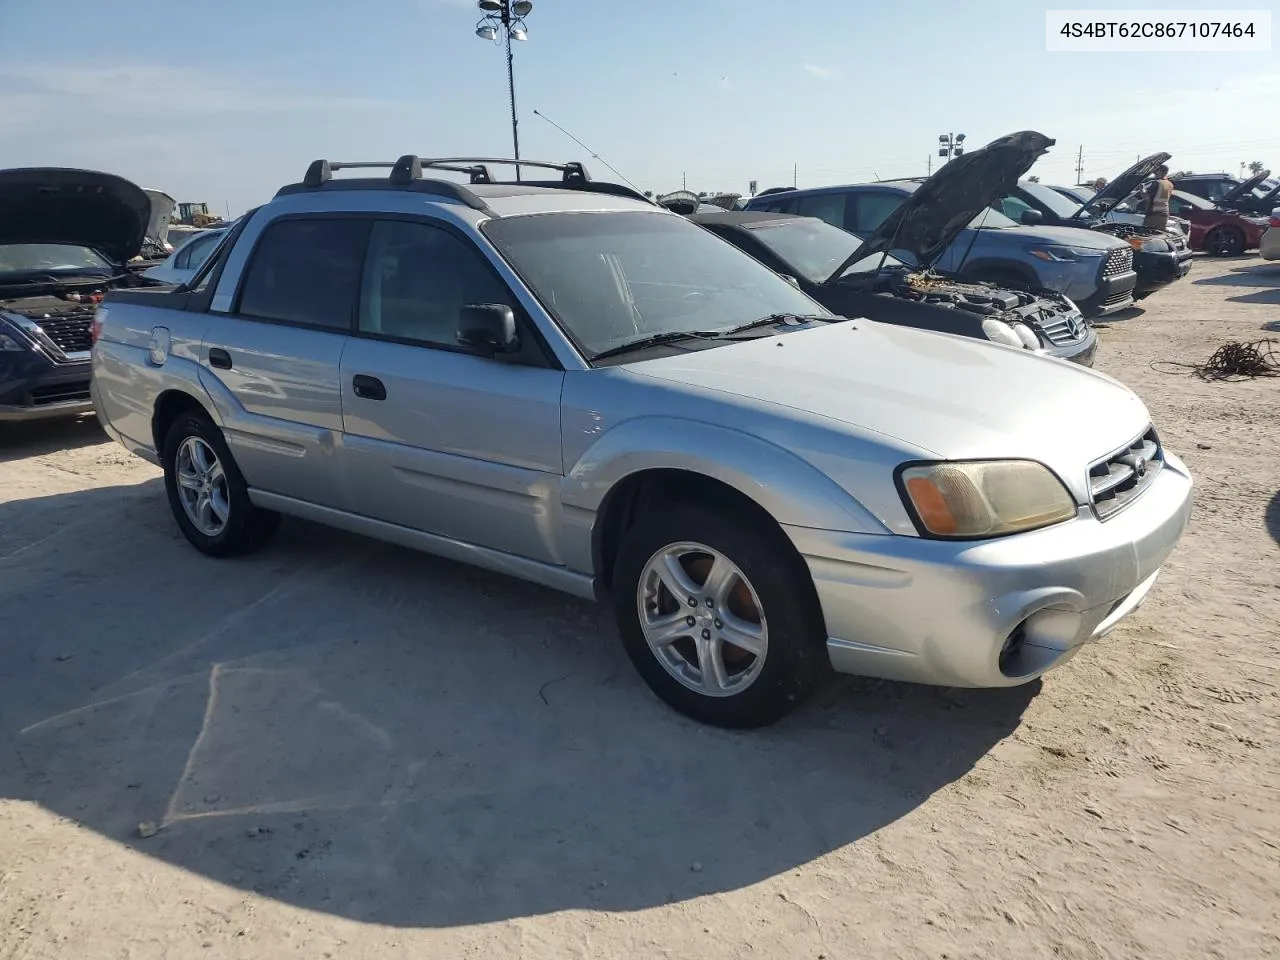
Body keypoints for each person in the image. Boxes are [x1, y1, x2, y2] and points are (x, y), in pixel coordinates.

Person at [1142, 164, 1174, 231]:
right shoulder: (1170, 184)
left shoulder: (1156, 183)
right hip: (1164, 215)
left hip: (1153, 214)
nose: (1154, 174)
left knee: (1147, 236)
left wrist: (1142, 190)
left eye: (1156, 172)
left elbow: (1147, 199)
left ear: (1160, 172)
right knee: (1158, 236)